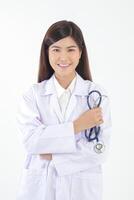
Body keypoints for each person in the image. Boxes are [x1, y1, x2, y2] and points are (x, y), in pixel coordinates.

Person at [16, 20, 112, 200]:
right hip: (39, 189)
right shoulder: (33, 96)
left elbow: (99, 150)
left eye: (71, 49)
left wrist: (52, 155)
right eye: (56, 49)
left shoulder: (96, 95)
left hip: (81, 190)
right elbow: (31, 141)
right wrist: (77, 126)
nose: (63, 57)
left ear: (81, 52)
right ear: (47, 52)